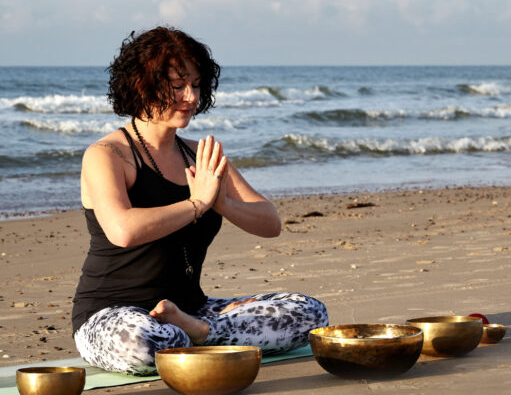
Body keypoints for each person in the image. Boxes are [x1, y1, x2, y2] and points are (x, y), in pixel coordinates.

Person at [72, 27, 328, 375]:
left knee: (309, 312)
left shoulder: (199, 155)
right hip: (113, 316)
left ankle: (201, 333)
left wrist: (222, 204)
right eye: (178, 86)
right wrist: (196, 204)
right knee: (144, 344)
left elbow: (271, 222)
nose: (191, 96)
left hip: (194, 310)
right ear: (140, 85)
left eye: (195, 84)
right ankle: (202, 336)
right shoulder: (107, 155)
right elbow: (123, 231)